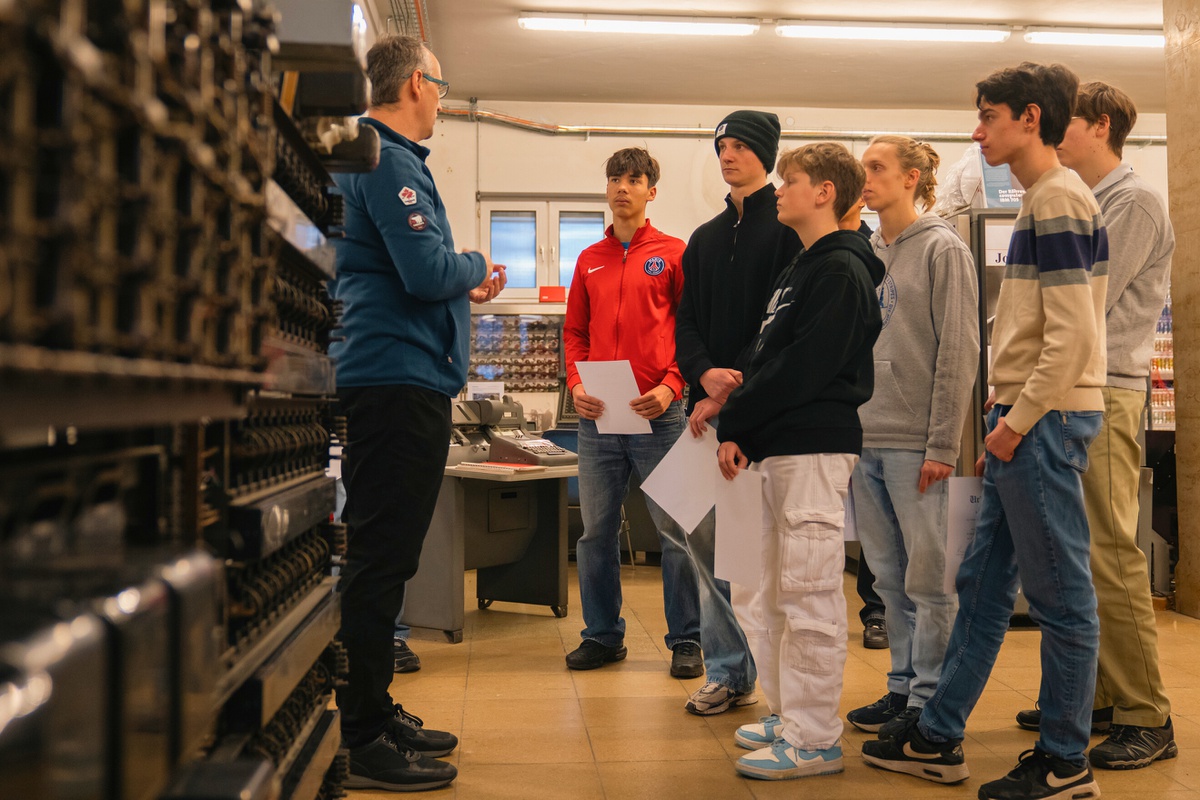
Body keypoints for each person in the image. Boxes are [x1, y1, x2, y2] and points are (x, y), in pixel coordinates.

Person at [862, 62, 1108, 800]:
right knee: (982, 584)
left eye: (989, 116)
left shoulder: (1060, 199)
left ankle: (1066, 762)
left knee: (1062, 599)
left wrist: (1016, 422)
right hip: (1020, 422)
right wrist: (1003, 420)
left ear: (1030, 118)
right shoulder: (1043, 200)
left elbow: (1071, 339)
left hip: (1044, 422)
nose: (977, 132)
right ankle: (938, 731)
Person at [329, 34, 505, 792]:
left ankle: (370, 706)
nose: (443, 97)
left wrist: (451, 279)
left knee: (385, 554)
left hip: (401, 374)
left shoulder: (379, 157)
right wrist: (474, 266)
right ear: (412, 84)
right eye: (439, 84)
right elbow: (428, 268)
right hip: (397, 378)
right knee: (381, 557)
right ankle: (361, 732)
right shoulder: (388, 159)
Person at [1016, 80, 1174, 770]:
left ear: (1100, 125)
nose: (1054, 134)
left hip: (1104, 392)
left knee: (1111, 554)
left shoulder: (1131, 201)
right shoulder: (1085, 198)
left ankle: (1148, 715)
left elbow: (1090, 313)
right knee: (1081, 553)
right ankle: (1103, 694)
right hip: (1074, 389)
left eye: (1066, 123)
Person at [716, 142, 884, 781]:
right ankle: (791, 717)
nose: (778, 190)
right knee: (778, 592)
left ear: (825, 193)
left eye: (791, 181)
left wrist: (740, 418)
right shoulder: (802, 266)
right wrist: (748, 433)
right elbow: (768, 359)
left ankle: (814, 739)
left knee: (810, 592)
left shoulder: (841, 270)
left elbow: (806, 368)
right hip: (780, 447)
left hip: (813, 446)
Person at [845, 136, 979, 735]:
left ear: (913, 178)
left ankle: (930, 700)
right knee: (886, 576)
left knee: (930, 581)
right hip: (865, 437)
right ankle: (900, 688)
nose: (865, 179)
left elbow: (960, 349)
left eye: (877, 168)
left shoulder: (943, 249)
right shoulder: (866, 251)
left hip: (917, 443)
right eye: (863, 168)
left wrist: (943, 445)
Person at [674, 110, 802, 715]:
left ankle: (772, 677)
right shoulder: (702, 237)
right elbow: (688, 320)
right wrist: (702, 374)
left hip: (761, 413)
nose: (728, 155)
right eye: (722, 145)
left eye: (742, 146)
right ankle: (728, 668)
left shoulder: (788, 229)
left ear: (767, 154)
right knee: (700, 539)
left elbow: (783, 322)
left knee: (754, 552)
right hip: (704, 412)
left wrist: (734, 387)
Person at [562, 147, 701, 676]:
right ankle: (602, 636)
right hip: (598, 419)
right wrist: (575, 382)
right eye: (615, 179)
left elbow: (692, 331)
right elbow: (574, 332)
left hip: (661, 416)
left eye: (635, 179)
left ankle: (686, 639)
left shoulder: (674, 252)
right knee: (595, 532)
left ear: (651, 191)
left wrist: (672, 385)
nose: (623, 187)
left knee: (676, 532)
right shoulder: (589, 259)